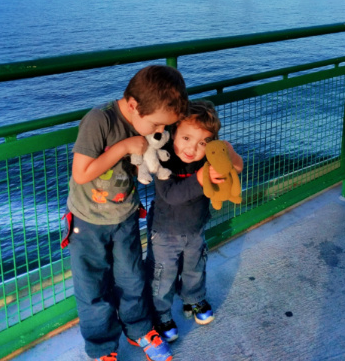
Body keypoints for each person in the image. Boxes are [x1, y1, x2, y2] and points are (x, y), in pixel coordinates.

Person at [63, 65, 188, 361]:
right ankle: (102, 346)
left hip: (126, 216)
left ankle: (139, 329)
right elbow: (81, 174)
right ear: (133, 105)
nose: (160, 133)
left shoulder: (142, 119)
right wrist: (123, 148)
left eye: (165, 127)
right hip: (88, 221)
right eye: (157, 125)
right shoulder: (99, 120)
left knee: (132, 278)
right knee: (92, 286)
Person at [146, 100, 243, 343]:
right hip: (165, 231)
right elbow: (170, 194)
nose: (192, 148)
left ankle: (194, 299)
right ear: (174, 131)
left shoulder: (208, 157)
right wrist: (200, 177)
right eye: (186, 138)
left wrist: (229, 152)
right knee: (162, 275)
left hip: (196, 227)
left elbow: (238, 167)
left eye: (203, 142)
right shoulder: (163, 158)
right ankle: (161, 314)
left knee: (195, 267)